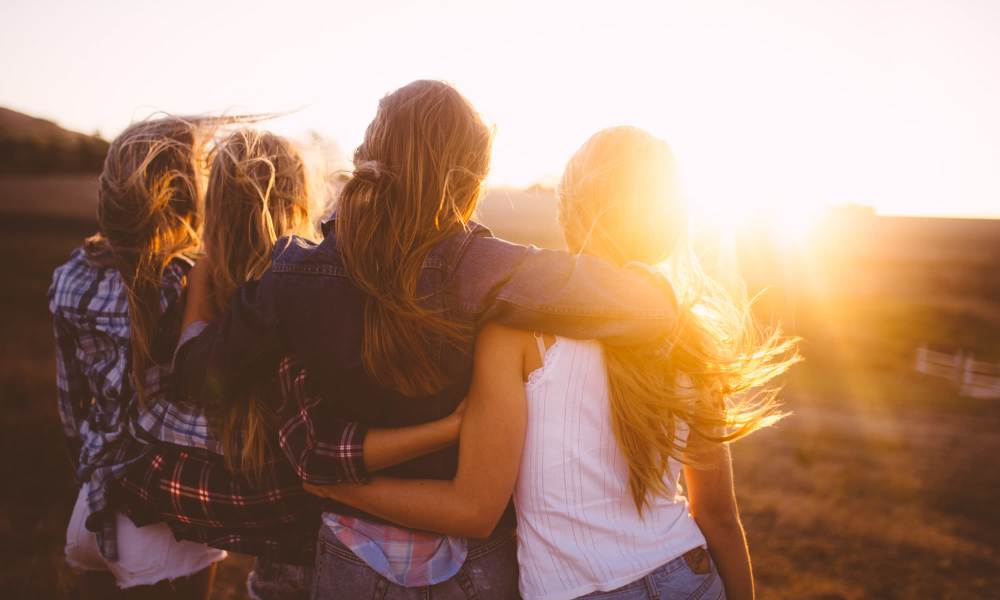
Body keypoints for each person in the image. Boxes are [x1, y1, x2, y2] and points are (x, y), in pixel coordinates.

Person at [175, 81, 683, 599]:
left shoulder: (295, 273)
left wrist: (197, 291)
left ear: (367, 157)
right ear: (471, 180)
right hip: (474, 563)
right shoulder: (493, 270)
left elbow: (199, 375)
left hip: (351, 555)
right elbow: (646, 306)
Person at [306, 126, 800, 600]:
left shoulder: (517, 329)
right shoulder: (688, 331)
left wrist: (342, 489)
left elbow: (475, 509)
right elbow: (717, 516)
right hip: (687, 577)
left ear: (568, 208)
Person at [117, 127, 468, 600]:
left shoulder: (243, 315)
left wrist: (201, 274)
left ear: (214, 218)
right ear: (301, 204)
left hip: (304, 563)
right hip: (356, 548)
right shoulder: (322, 296)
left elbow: (183, 393)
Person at [49, 116, 227, 598]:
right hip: (170, 516)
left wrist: (87, 471)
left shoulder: (69, 278)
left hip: (92, 510)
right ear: (191, 199)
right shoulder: (193, 283)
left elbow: (70, 408)